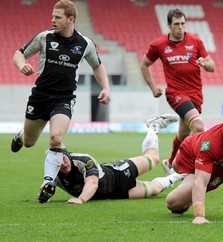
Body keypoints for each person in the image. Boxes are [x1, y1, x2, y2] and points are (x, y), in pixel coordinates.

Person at [10, 0, 111, 203]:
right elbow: (19, 53)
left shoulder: (85, 44)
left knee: (56, 139)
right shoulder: (44, 37)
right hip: (40, 97)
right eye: (52, 16)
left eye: (57, 17)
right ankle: (22, 135)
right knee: (30, 142)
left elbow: (97, 66)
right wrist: (22, 65)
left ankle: (48, 181)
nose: (52, 20)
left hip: (64, 99)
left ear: (70, 19)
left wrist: (106, 88)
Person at [140, 8, 215, 170]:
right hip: (176, 93)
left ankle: (170, 162)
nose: (180, 27)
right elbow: (144, 64)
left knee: (183, 134)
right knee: (199, 127)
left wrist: (204, 63)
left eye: (182, 24)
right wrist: (153, 87)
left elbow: (212, 66)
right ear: (169, 25)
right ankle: (186, 165)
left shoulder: (196, 41)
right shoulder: (159, 45)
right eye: (176, 24)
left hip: (196, 94)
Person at [54, 114, 183, 203]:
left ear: (67, 155)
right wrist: (44, 195)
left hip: (118, 174)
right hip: (115, 193)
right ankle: (182, 174)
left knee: (152, 158)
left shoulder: (82, 160)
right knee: (155, 190)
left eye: (64, 159)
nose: (63, 164)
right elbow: (47, 186)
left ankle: (154, 126)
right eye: (58, 163)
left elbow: (92, 184)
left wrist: (80, 199)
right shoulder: (54, 173)